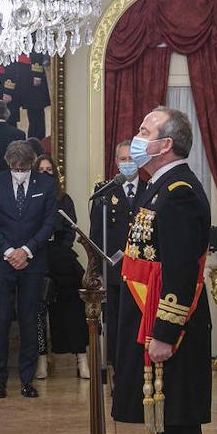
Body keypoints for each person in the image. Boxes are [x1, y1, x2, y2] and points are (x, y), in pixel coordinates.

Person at [111, 107, 213, 434]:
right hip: (155, 324)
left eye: (144, 131)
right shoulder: (157, 188)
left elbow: (179, 273)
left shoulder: (180, 192)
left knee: (179, 427)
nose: (136, 138)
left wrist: (165, 332)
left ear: (165, 144)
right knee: (168, 430)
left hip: (177, 331)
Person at [0, 140, 57, 398]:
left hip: (33, 263)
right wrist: (9, 252)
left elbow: (48, 223)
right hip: (1, 263)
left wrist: (27, 251)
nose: (20, 170)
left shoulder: (45, 184)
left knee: (29, 321)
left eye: (24, 167)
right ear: (8, 163)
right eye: (15, 166)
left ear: (32, 164)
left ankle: (27, 380)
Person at [36, 153, 89, 379]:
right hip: (37, 257)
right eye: (42, 170)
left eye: (50, 170)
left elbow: (70, 230)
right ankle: (41, 360)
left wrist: (58, 248)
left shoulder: (64, 198)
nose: (46, 173)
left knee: (74, 307)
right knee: (38, 309)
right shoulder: (29, 198)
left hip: (61, 258)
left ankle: (81, 358)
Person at [89, 140, 138, 371]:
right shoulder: (105, 191)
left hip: (141, 273)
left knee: (138, 323)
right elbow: (95, 236)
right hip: (114, 271)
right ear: (116, 162)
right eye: (123, 159)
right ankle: (118, 367)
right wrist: (97, 270)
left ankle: (138, 366)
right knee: (117, 323)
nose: (127, 163)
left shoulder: (151, 189)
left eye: (131, 158)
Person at [2, 53, 52, 139]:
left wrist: (37, 74)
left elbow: (37, 50)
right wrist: (8, 89)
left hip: (31, 75)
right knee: (11, 115)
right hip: (14, 73)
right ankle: (13, 142)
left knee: (36, 115)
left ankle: (36, 142)